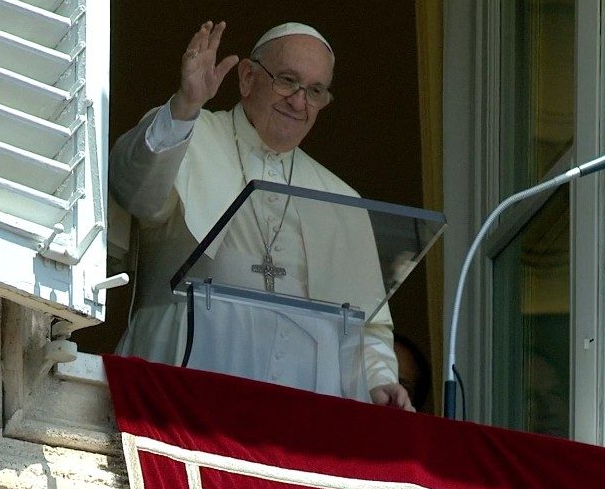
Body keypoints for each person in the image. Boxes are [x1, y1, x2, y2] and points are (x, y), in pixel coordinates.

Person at [110, 20, 414, 411]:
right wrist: (185, 106)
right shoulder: (186, 132)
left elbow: (365, 324)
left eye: (315, 91)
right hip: (180, 383)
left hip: (297, 405)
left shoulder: (340, 198)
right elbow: (134, 191)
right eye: (287, 80)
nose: (299, 102)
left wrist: (379, 381)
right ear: (248, 78)